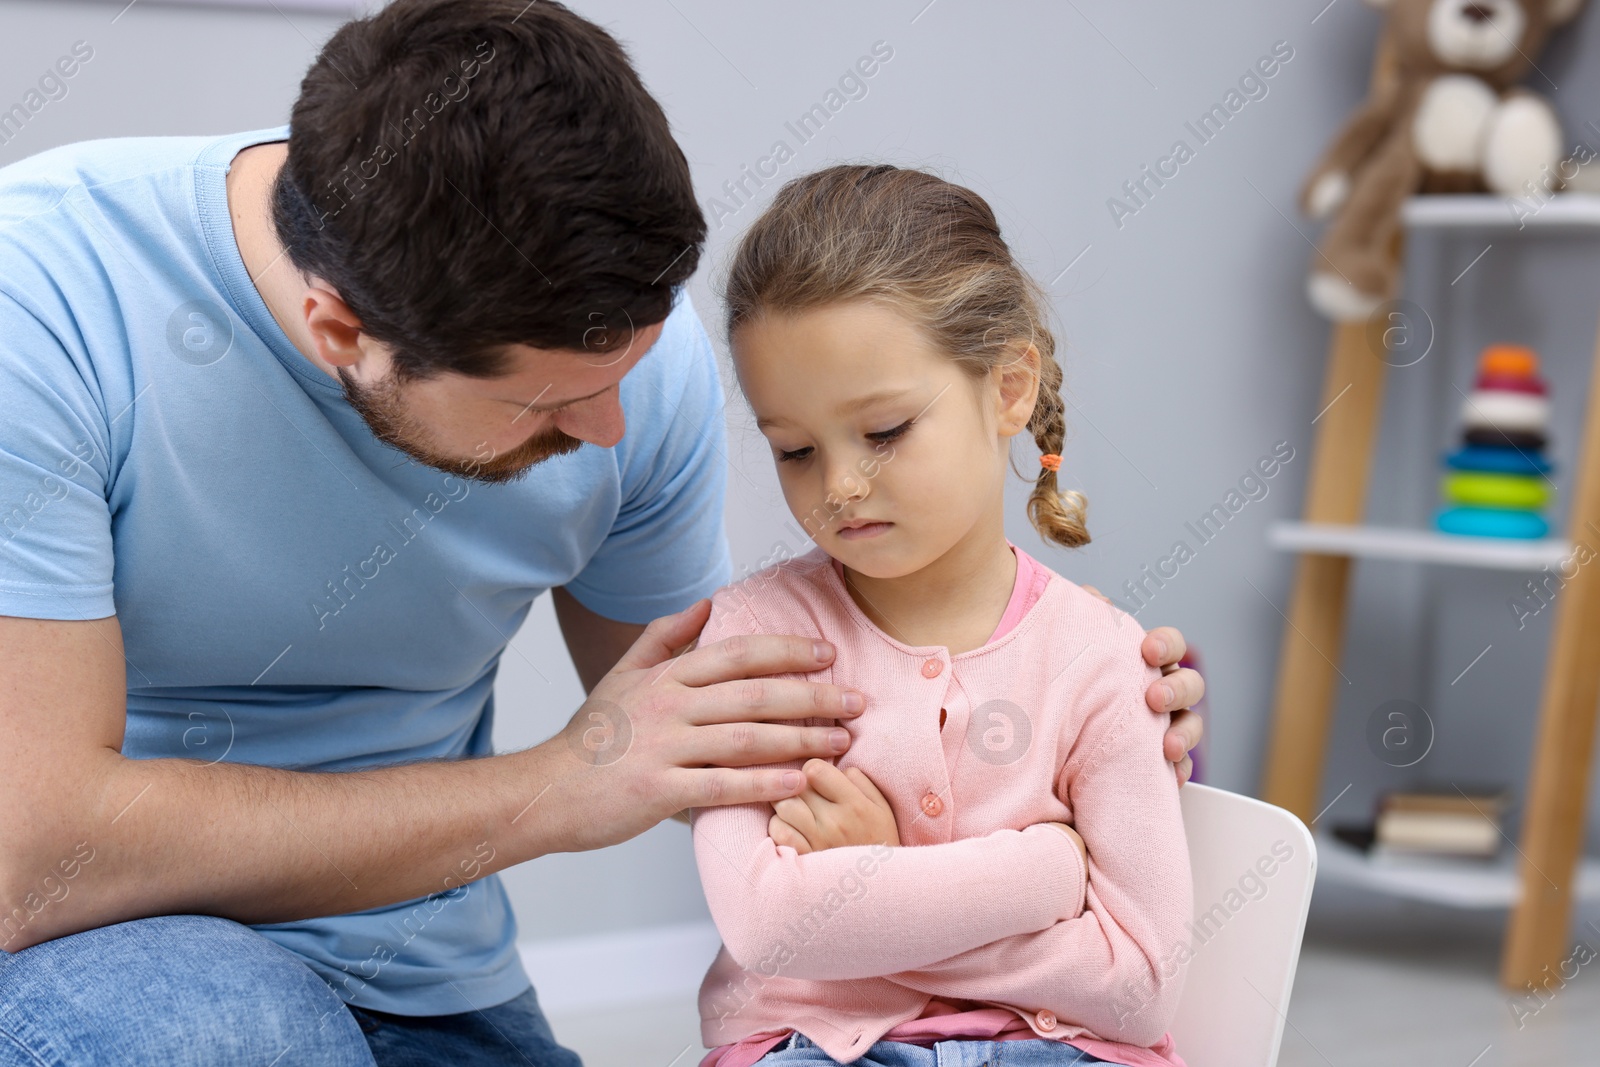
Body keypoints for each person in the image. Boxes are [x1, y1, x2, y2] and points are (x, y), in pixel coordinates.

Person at [0, 3, 1204, 1065]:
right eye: (544, 405)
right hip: (98, 949)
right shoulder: (43, 305)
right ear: (339, 329)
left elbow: (725, 754)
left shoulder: (629, 364)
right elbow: (30, 855)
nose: (613, 424)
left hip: (429, 981)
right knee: (242, 1029)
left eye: (630, 365)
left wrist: (1080, 725)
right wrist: (561, 783)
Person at [688, 165, 1193, 1067]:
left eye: (883, 431)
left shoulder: (1102, 658)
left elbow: (1140, 982)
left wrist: (873, 886)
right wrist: (1042, 874)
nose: (839, 485)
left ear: (1008, 388)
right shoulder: (751, 639)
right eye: (794, 449)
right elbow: (768, 927)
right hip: (809, 1046)